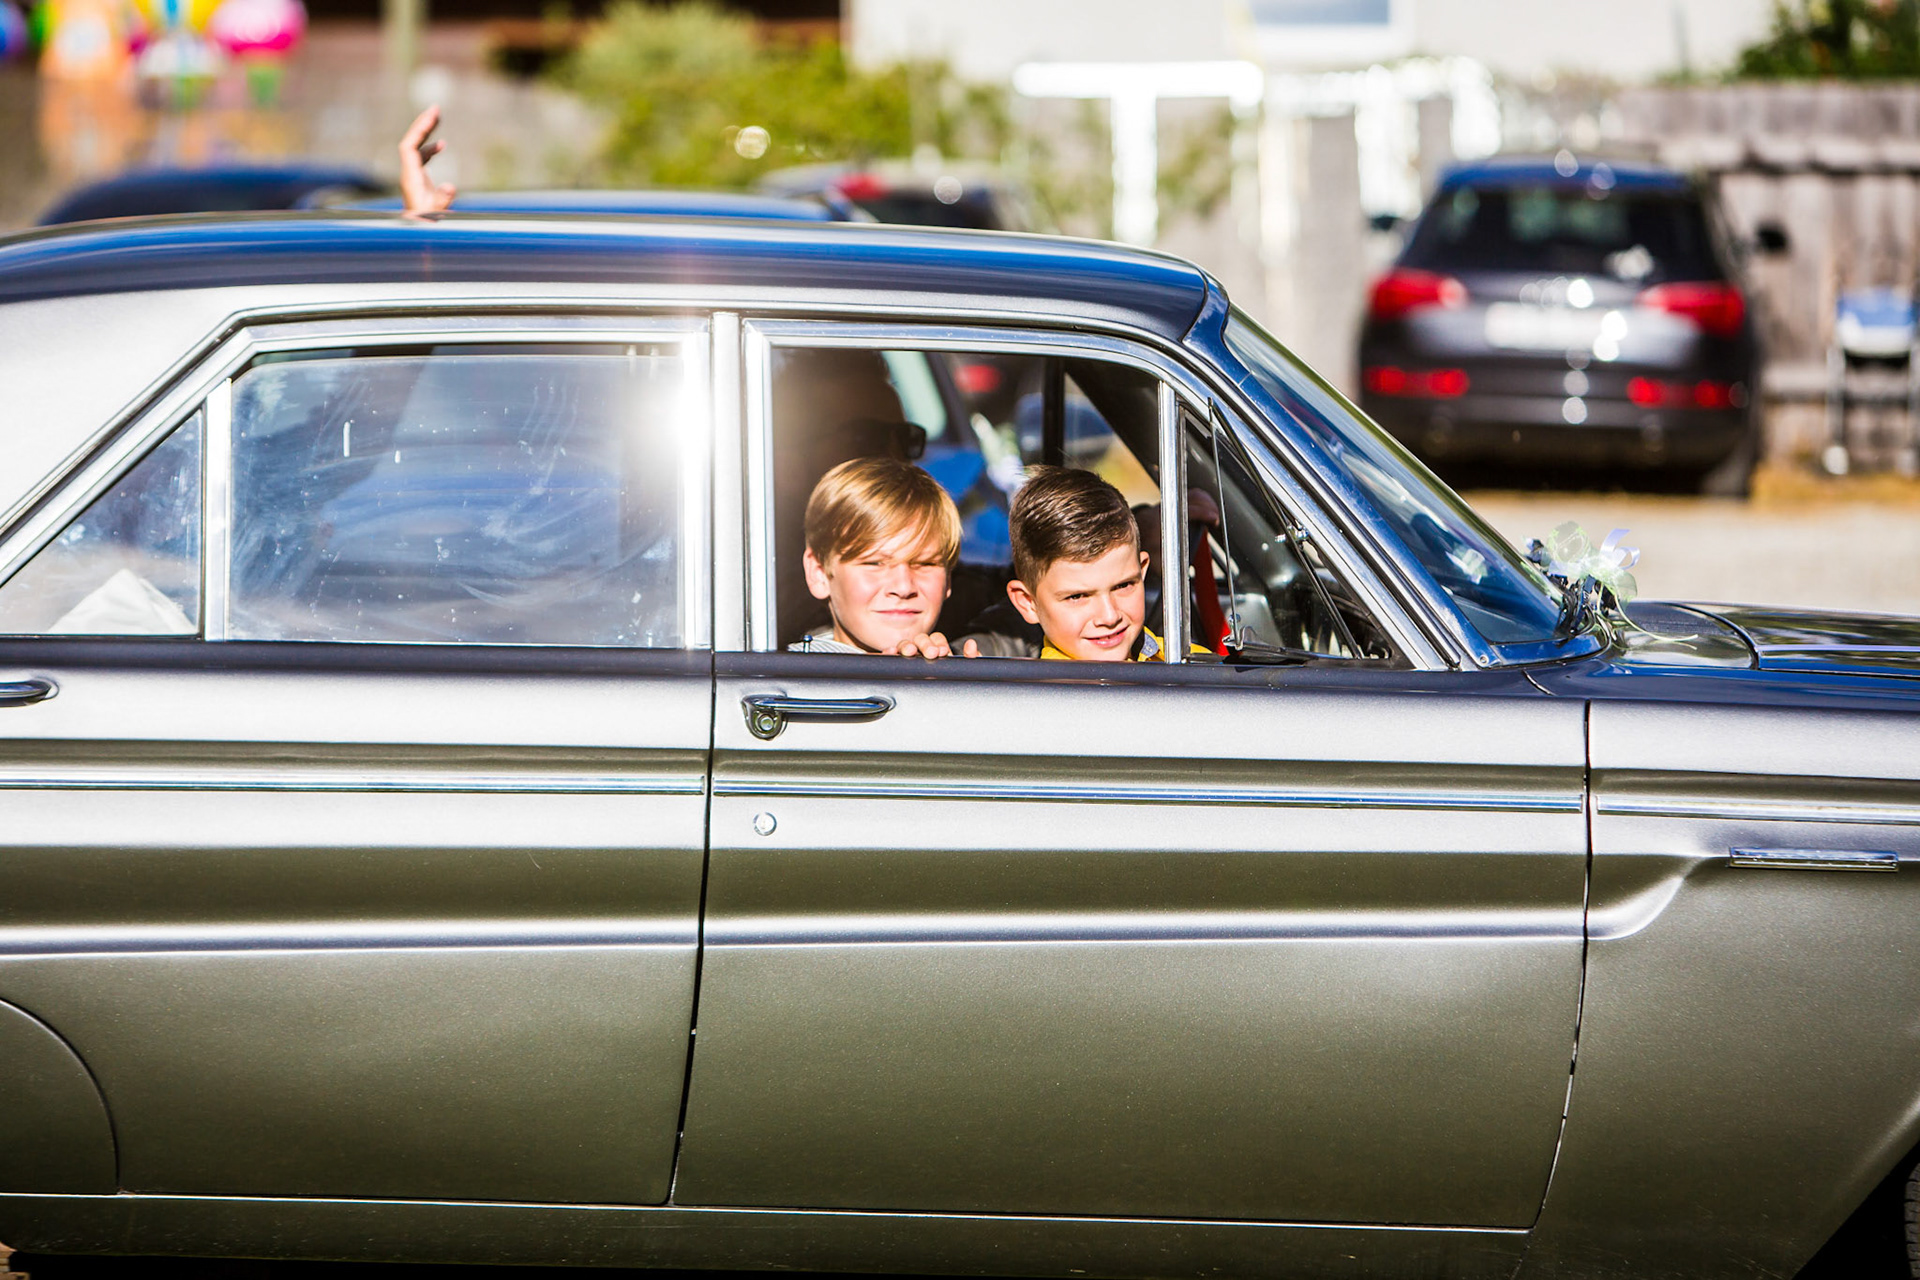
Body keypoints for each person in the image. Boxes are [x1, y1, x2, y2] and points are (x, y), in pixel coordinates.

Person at [1003, 466, 1200, 662]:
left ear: (1142, 571)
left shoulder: (1189, 660)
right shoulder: (1044, 683)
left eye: (1124, 585)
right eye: (1077, 596)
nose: (1109, 617)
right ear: (1028, 602)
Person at [794, 456, 979, 659]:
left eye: (925, 564)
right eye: (874, 563)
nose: (903, 587)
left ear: (948, 579)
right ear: (819, 573)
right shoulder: (785, 675)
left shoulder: (959, 667)